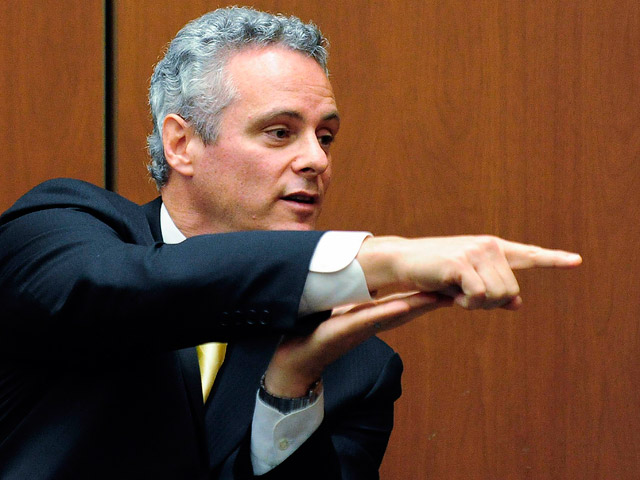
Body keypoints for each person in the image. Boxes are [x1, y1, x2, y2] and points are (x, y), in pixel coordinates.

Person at [0, 7, 581, 479]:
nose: (316, 160)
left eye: (325, 137)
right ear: (181, 144)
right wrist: (381, 257)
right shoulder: (62, 227)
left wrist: (290, 393)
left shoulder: (356, 365)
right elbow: (121, 288)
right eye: (280, 132)